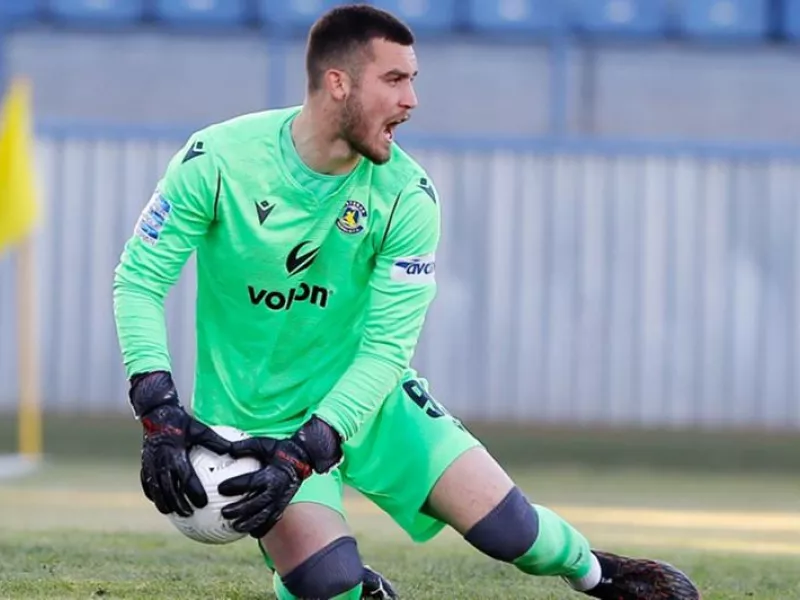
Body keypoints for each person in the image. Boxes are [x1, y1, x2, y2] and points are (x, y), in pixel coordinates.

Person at [113, 4, 701, 600]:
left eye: (412, 80)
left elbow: (386, 348)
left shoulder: (407, 196)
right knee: (328, 583)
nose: (411, 100)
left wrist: (314, 444)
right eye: (394, 79)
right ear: (338, 83)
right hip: (253, 421)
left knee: (513, 533)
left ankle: (600, 573)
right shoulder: (218, 160)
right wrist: (157, 407)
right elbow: (139, 280)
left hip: (374, 404)